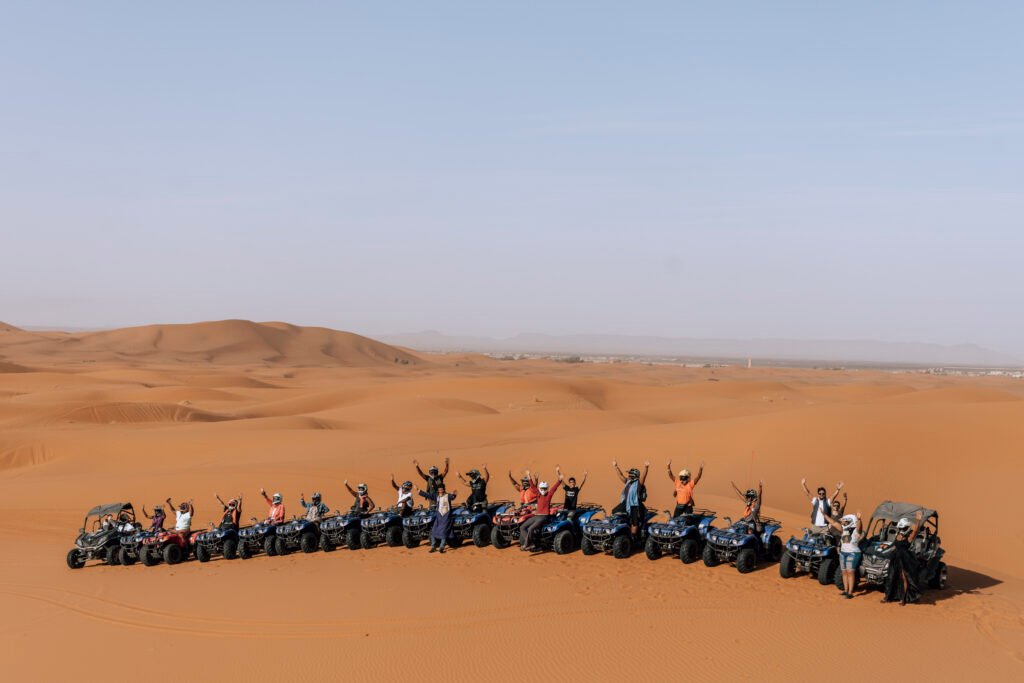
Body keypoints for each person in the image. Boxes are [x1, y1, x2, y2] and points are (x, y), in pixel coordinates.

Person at [882, 511, 925, 605]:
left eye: (903, 527)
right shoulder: (898, 536)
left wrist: (918, 520)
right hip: (895, 558)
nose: (901, 529)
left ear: (907, 527)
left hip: (904, 560)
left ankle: (903, 599)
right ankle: (888, 596)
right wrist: (886, 548)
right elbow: (894, 545)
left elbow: (916, 531)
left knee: (904, 579)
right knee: (891, 577)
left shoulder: (909, 537)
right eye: (900, 527)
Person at [519, 466, 564, 551]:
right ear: (539, 488)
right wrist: (529, 476)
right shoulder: (538, 494)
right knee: (522, 527)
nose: (543, 490)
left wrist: (559, 478)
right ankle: (531, 544)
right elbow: (532, 486)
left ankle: (527, 544)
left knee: (531, 528)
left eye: (545, 488)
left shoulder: (549, 495)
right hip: (536, 516)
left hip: (544, 517)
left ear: (547, 488)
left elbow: (555, 487)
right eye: (542, 488)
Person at [827, 512, 863, 599]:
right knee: (844, 572)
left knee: (850, 572)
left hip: (853, 553)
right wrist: (824, 514)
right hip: (843, 553)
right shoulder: (843, 530)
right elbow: (834, 523)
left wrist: (859, 519)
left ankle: (850, 592)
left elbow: (859, 527)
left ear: (850, 522)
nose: (843, 523)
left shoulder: (856, 531)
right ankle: (845, 590)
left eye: (845, 521)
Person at [612, 460, 650, 540]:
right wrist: (616, 466)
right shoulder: (628, 482)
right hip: (625, 503)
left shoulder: (638, 483)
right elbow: (621, 476)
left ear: (633, 475)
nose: (628, 475)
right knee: (614, 512)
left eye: (630, 474)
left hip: (634, 505)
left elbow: (643, 477)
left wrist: (646, 468)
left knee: (634, 522)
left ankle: (633, 537)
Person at [416, 482, 458, 553]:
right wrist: (418, 490)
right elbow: (427, 495)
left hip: (446, 517)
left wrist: (454, 494)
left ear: (444, 489)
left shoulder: (447, 496)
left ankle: (442, 547)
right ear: (438, 490)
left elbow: (452, 497)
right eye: (439, 489)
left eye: (441, 489)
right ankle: (433, 547)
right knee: (433, 531)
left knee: (444, 532)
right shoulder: (436, 496)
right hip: (438, 517)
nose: (440, 490)